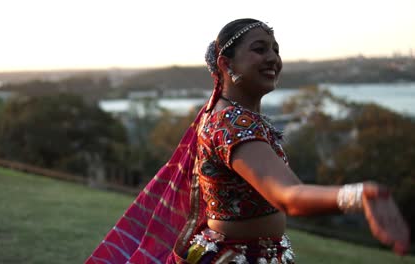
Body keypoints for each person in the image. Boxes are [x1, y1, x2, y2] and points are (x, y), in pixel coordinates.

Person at [85, 18, 410, 264]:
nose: (273, 58)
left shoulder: (231, 116)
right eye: (260, 49)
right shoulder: (231, 124)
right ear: (226, 64)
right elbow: (290, 196)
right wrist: (359, 195)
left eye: (276, 50)